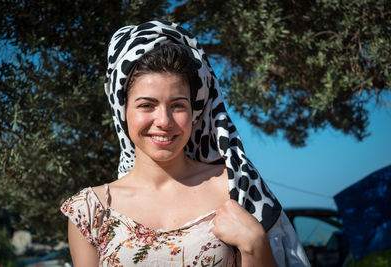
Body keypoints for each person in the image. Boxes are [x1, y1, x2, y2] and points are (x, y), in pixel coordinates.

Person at [60, 20, 310, 266]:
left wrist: (255, 245)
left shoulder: (236, 187)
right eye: (147, 105)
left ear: (195, 111)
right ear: (123, 110)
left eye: (178, 106)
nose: (164, 121)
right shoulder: (91, 211)